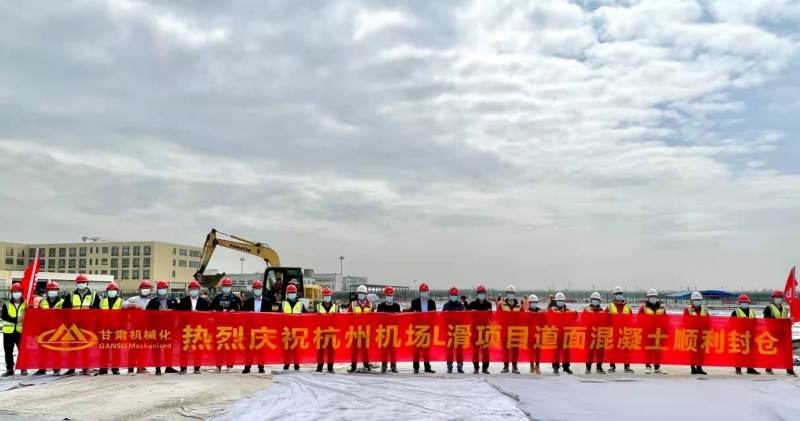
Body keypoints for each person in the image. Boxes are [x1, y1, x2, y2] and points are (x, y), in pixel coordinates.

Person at [62, 274, 101, 375]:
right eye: (79, 282)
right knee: (72, 347)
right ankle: (71, 368)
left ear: (87, 283)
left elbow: (98, 310)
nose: (81, 284)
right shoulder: (71, 295)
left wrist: (90, 310)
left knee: (85, 347)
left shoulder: (94, 295)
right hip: (73, 325)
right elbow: (64, 310)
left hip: (87, 325)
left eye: (83, 282)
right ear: (76, 284)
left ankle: (85, 368)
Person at [177, 280, 210, 374]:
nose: (193, 290)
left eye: (195, 289)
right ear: (189, 290)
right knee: (184, 349)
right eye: (192, 289)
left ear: (199, 289)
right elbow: (179, 314)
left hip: (198, 328)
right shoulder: (184, 301)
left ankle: (197, 368)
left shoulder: (203, 301)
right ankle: (183, 368)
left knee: (198, 349)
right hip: (186, 328)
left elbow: (207, 314)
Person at [146, 281, 179, 375]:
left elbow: (179, 313)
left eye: (164, 288)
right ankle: (158, 369)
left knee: (168, 348)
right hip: (156, 328)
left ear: (167, 289)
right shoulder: (153, 302)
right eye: (160, 288)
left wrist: (172, 312)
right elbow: (148, 314)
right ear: (157, 290)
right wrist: (158, 313)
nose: (162, 290)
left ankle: (169, 367)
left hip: (169, 328)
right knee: (157, 349)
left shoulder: (172, 300)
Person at [122, 280, 154, 375]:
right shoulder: (134, 299)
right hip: (136, 328)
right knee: (133, 348)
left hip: (148, 329)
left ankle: (141, 367)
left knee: (144, 349)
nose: (145, 290)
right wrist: (133, 305)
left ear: (150, 289)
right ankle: (130, 367)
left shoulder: (152, 301)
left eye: (147, 288)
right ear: (139, 289)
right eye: (143, 288)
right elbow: (123, 305)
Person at [33, 281, 65, 375]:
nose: (52, 291)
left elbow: (66, 316)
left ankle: (56, 368)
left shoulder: (62, 302)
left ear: (57, 290)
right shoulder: (42, 301)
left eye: (54, 289)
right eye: (50, 289)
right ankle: (42, 369)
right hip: (44, 328)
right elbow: (38, 314)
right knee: (43, 350)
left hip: (57, 329)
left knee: (56, 350)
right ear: (47, 291)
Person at [211, 278, 242, 373]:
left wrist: (235, 312)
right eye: (224, 286)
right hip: (219, 327)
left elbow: (240, 312)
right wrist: (213, 312)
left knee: (230, 347)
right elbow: (211, 309)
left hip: (231, 327)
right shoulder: (217, 298)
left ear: (231, 286)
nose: (226, 287)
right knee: (219, 347)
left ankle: (229, 365)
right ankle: (218, 366)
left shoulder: (236, 299)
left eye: (228, 286)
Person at [763, 290, 797, 376]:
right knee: (771, 352)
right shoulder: (769, 308)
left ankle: (789, 369)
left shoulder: (785, 309)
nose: (778, 299)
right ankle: (768, 368)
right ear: (773, 298)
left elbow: (786, 321)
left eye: (779, 297)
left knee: (786, 352)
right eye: (776, 297)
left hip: (782, 333)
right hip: (772, 333)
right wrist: (781, 319)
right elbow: (766, 320)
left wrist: (789, 321)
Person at [243, 280, 271, 374]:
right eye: (256, 288)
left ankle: (261, 367)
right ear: (253, 289)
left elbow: (270, 317)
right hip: (251, 329)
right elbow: (243, 315)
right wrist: (248, 314)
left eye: (259, 288)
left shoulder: (267, 302)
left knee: (261, 349)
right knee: (250, 349)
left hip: (262, 329)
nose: (257, 289)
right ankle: (247, 367)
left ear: (262, 289)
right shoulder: (248, 302)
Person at [408, 283, 436, 374]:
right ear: (420, 292)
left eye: (425, 291)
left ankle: (427, 367)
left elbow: (435, 317)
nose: (424, 292)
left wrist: (433, 314)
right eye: (422, 291)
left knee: (426, 349)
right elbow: (410, 314)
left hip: (427, 329)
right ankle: (416, 367)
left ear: (428, 291)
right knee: (417, 349)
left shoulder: (432, 303)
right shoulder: (415, 302)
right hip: (418, 329)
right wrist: (410, 311)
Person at [639, 289, 667, 374]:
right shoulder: (643, 308)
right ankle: (648, 366)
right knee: (648, 351)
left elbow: (666, 320)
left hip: (658, 333)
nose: (653, 298)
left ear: (657, 297)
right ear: (648, 298)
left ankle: (657, 367)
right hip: (647, 333)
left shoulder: (662, 309)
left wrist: (665, 331)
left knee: (658, 351)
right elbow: (639, 320)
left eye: (654, 296)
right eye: (651, 297)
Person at [97, 282, 123, 375]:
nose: (112, 291)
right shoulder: (102, 302)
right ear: (107, 291)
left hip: (117, 330)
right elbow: (98, 316)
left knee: (116, 351)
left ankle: (115, 368)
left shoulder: (122, 302)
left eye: (114, 290)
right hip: (104, 330)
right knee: (104, 350)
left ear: (117, 291)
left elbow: (124, 317)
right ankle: (103, 369)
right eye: (110, 290)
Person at [606, 286, 633, 374]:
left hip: (625, 331)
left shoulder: (627, 306)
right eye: (617, 294)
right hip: (614, 331)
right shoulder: (610, 306)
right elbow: (604, 318)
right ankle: (612, 366)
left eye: (620, 293)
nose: (619, 295)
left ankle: (627, 366)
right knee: (613, 350)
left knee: (626, 349)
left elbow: (631, 318)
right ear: (613, 295)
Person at [2, 283, 27, 377]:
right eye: (14, 291)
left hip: (21, 332)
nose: (16, 293)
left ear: (22, 292)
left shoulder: (26, 304)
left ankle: (23, 368)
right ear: (11, 292)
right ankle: (9, 369)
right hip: (8, 332)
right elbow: (4, 316)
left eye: (18, 291)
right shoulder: (6, 304)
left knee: (22, 351)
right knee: (8, 351)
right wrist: (16, 320)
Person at [346, 285, 373, 373]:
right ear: (357, 294)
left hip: (366, 331)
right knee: (355, 350)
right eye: (360, 293)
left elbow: (374, 318)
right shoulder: (353, 304)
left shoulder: (370, 305)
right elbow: (348, 317)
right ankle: (353, 367)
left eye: (363, 293)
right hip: (355, 331)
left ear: (366, 294)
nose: (361, 295)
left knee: (365, 350)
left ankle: (366, 366)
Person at [731, 294, 759, 375]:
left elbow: (755, 323)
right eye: (742, 302)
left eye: (746, 302)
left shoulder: (751, 312)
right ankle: (738, 368)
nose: (744, 304)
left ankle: (750, 368)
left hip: (749, 335)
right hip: (740, 335)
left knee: (750, 353)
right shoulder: (736, 312)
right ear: (739, 303)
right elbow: (731, 323)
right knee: (739, 353)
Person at [467, 285, 493, 374]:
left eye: (483, 293)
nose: (481, 294)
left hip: (485, 329)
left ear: (485, 294)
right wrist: (471, 313)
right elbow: (467, 316)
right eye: (480, 293)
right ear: (477, 294)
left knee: (485, 350)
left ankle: (485, 368)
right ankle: (476, 367)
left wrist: (489, 313)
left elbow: (491, 318)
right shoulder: (472, 304)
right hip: (475, 329)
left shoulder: (488, 304)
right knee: (475, 350)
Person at [376, 286, 401, 373]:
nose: (389, 297)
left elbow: (400, 319)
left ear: (393, 296)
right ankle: (384, 366)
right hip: (383, 331)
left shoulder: (397, 306)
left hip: (394, 331)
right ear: (385, 296)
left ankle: (393, 366)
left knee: (393, 350)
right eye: (388, 295)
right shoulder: (380, 306)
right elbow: (377, 319)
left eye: (390, 295)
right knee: (384, 350)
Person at [282, 284, 307, 370]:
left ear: (296, 293)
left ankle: (296, 365)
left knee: (296, 349)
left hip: (297, 330)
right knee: (286, 349)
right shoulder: (283, 304)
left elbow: (306, 317)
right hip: (286, 331)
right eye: (290, 293)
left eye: (293, 292)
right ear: (287, 294)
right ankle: (286, 365)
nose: (291, 294)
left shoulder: (300, 304)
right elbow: (278, 317)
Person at [683, 291, 708, 375]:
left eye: (699, 300)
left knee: (701, 352)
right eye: (695, 300)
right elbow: (685, 321)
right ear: (692, 301)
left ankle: (699, 368)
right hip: (692, 334)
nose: (697, 301)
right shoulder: (688, 309)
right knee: (693, 352)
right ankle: (693, 368)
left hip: (702, 335)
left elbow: (708, 321)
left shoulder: (704, 310)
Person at [442, 287, 466, 373]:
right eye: (452, 295)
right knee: (450, 349)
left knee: (459, 349)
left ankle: (460, 366)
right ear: (450, 295)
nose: (454, 296)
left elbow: (465, 316)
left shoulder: (461, 305)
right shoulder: (446, 305)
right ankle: (449, 366)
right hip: (450, 330)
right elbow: (442, 317)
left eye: (455, 295)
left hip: (459, 330)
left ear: (457, 295)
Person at [499, 285, 521, 374]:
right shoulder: (501, 305)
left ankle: (515, 366)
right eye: (509, 293)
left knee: (515, 349)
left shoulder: (519, 305)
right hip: (505, 329)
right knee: (505, 349)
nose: (511, 294)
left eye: (512, 293)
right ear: (506, 293)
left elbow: (523, 317)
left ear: (514, 294)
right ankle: (506, 366)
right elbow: (498, 316)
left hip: (516, 330)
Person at [315, 287, 338, 373]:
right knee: (320, 350)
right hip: (321, 332)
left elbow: (339, 320)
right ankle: (319, 367)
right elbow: (313, 319)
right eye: (325, 296)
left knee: (331, 351)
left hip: (331, 332)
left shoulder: (335, 307)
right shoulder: (318, 307)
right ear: (323, 296)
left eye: (328, 296)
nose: (327, 297)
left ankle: (330, 367)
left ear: (331, 296)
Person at [550, 292, 573, 374]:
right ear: (556, 301)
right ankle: (555, 367)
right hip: (556, 333)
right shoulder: (552, 310)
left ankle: (566, 367)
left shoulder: (568, 310)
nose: (560, 302)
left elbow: (572, 320)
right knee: (556, 351)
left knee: (566, 351)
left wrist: (575, 315)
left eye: (562, 300)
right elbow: (548, 320)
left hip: (566, 334)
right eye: (559, 300)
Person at [583, 292, 605, 374]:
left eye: (597, 299)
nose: (595, 301)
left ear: (599, 301)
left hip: (600, 334)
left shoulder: (601, 310)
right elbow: (583, 321)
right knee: (589, 352)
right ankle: (588, 368)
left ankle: (599, 367)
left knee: (600, 352)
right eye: (594, 299)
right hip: (590, 334)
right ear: (591, 300)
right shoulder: (587, 310)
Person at [525, 294, 543, 374]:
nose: (533, 304)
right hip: (530, 334)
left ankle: (537, 366)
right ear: (529, 303)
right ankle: (531, 365)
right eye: (532, 302)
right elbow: (524, 323)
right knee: (531, 351)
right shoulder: (526, 312)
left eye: (535, 302)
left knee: (538, 351)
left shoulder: (540, 312)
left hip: (538, 334)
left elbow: (544, 322)